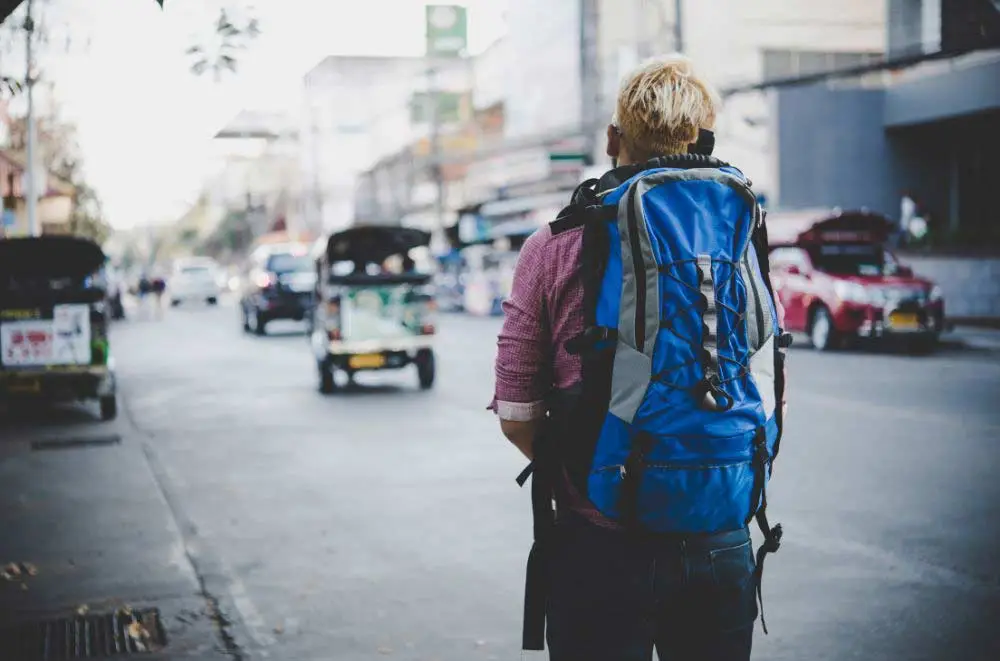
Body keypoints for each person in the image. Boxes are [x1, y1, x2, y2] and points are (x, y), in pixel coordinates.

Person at [490, 54, 790, 661]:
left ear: (612, 139)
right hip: (723, 534)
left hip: (601, 545)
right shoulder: (741, 233)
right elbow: (770, 384)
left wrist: (598, 464)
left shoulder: (554, 246)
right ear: (705, 139)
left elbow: (518, 413)